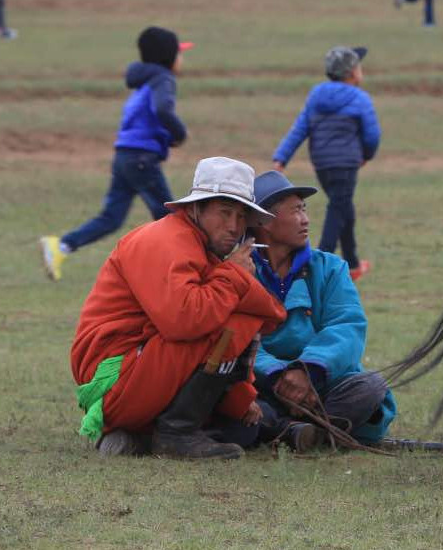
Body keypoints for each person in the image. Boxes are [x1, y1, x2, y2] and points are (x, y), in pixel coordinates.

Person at [70, 157, 287, 459]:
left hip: (137, 372)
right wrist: (236, 276)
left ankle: (141, 437)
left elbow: (265, 311)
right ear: (196, 208)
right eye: (225, 213)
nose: (234, 227)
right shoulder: (165, 240)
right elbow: (184, 320)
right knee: (235, 322)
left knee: (242, 429)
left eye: (241, 217)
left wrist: (241, 397)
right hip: (116, 381)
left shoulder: (196, 245)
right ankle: (176, 433)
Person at [249, 171, 397, 446]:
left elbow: (347, 326)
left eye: (304, 210)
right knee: (230, 395)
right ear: (264, 221)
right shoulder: (240, 271)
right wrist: (278, 376)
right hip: (265, 384)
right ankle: (314, 432)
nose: (305, 220)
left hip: (322, 384)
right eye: (295, 211)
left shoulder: (330, 267)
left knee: (370, 386)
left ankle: (294, 432)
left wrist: (307, 371)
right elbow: (239, 338)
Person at [41, 27, 192, 279]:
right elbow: (163, 110)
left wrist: (162, 138)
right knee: (171, 219)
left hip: (124, 156)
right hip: (141, 159)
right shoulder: (164, 79)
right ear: (169, 57)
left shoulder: (143, 83)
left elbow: (142, 119)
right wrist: (178, 134)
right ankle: (178, 272)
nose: (182, 59)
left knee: (112, 218)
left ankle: (60, 246)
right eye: (180, 53)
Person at [271, 46, 381, 280]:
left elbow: (300, 127)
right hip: (347, 163)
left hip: (321, 164)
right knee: (338, 208)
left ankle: (352, 264)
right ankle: (317, 263)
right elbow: (372, 134)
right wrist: (367, 154)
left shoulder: (316, 95)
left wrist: (282, 157)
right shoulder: (359, 97)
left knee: (342, 206)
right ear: (352, 72)